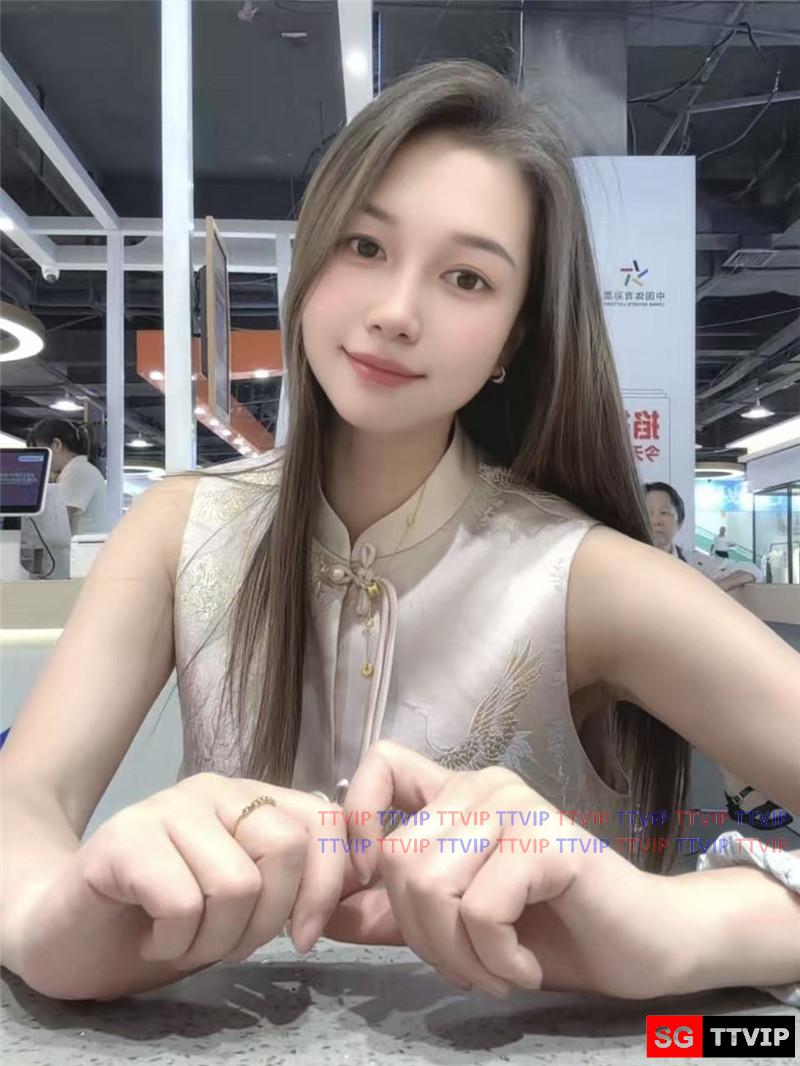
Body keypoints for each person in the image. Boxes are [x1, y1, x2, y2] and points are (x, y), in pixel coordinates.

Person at [2, 61, 799, 1006]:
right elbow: (25, 803)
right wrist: (46, 924)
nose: (395, 312)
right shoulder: (178, 528)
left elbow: (675, 928)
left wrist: (675, 930)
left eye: (467, 277)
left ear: (514, 338)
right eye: (364, 245)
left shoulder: (587, 578)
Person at [644, 481, 792, 831]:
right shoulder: (622, 560)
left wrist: (709, 588)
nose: (657, 520)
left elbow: (752, 569)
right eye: (649, 512)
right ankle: (742, 788)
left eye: (665, 512)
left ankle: (750, 784)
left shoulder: (693, 562)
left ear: (680, 521)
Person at [25, 418, 110, 536]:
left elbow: (58, 523)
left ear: (56, 445)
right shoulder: (78, 468)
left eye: (39, 452)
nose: (39, 461)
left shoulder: (76, 471)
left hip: (85, 546)